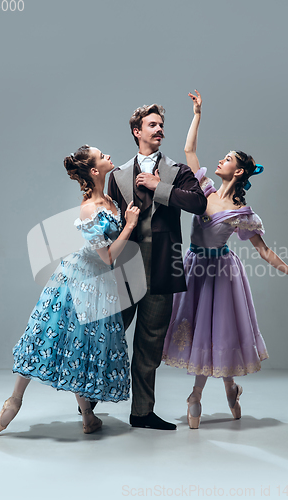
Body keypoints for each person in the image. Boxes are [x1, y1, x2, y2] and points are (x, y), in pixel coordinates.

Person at [162, 91, 288, 429]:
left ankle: (201, 394)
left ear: (238, 170)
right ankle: (222, 390)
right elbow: (189, 151)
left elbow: (263, 250)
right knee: (200, 331)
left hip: (222, 274)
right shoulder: (206, 191)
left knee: (219, 332)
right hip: (194, 268)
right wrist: (197, 113)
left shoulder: (243, 213)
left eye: (228, 158)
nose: (221, 160)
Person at [0, 145, 140, 436]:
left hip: (99, 285)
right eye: (102, 155)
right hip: (78, 280)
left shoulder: (109, 201)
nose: (108, 155)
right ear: (95, 171)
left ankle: (87, 416)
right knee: (48, 334)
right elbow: (108, 257)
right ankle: (15, 401)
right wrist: (129, 226)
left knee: (80, 346)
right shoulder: (89, 208)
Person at [107, 104, 207, 430]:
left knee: (150, 345)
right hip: (124, 269)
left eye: (161, 124)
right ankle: (88, 402)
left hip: (163, 267)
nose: (159, 129)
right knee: (106, 337)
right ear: (137, 131)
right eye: (152, 124)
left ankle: (141, 413)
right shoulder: (117, 175)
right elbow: (107, 224)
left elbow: (198, 203)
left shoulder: (178, 171)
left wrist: (157, 187)